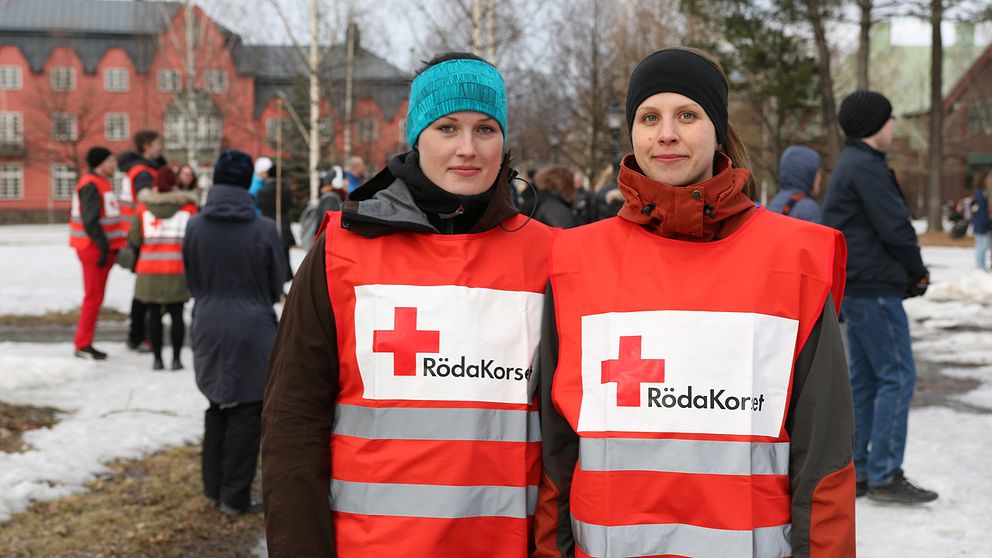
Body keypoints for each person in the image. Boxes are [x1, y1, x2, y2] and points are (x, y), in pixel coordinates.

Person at [534, 48, 855, 558]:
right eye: (649, 117)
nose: (666, 133)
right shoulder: (575, 260)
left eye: (687, 115)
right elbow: (555, 451)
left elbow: (825, 457)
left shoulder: (795, 259)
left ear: (717, 128)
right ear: (632, 131)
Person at [262, 52, 554, 557]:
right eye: (447, 127)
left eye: (486, 129)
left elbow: (566, 433)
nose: (468, 148)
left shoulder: (549, 255)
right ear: (417, 137)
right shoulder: (342, 251)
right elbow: (293, 418)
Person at [823, 90, 938, 505]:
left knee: (867, 380)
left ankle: (861, 469)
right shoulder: (866, 167)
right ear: (875, 124)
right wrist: (916, 270)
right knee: (896, 376)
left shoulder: (853, 164)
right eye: (890, 119)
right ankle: (886, 473)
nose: (894, 126)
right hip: (872, 289)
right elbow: (896, 227)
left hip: (860, 286)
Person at [183, 150, 285, 516]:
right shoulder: (263, 229)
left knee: (216, 404)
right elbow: (277, 283)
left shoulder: (195, 225)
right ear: (247, 183)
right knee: (247, 408)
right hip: (253, 324)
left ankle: (213, 488)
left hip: (208, 320)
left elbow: (191, 276)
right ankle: (234, 496)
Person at [129, 166, 198, 370]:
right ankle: (176, 359)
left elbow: (135, 238)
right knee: (177, 315)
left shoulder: (142, 209)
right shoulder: (188, 209)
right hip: (177, 269)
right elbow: (194, 239)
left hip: (149, 270)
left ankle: (157, 359)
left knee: (153, 314)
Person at [69, 147, 126, 360]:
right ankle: (83, 344)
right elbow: (90, 220)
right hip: (93, 248)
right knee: (93, 297)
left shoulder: (101, 182)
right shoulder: (91, 184)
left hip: (102, 248)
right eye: (111, 161)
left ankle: (85, 342)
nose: (114, 165)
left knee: (96, 297)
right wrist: (103, 247)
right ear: (100, 163)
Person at [118, 130, 165, 354]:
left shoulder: (140, 169)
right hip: (143, 235)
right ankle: (138, 335)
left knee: (142, 290)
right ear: (146, 146)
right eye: (158, 143)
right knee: (144, 291)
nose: (161, 146)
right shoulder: (143, 172)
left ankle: (137, 335)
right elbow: (147, 202)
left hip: (137, 234)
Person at [256, 168, 296, 283]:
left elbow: (259, 204)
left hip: (268, 224)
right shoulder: (286, 189)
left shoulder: (264, 190)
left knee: (271, 255)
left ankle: (276, 282)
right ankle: (281, 280)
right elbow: (290, 204)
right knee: (283, 255)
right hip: (283, 224)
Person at [768, 145, 823, 223]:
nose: (820, 179)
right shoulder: (809, 208)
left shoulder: (774, 203)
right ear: (808, 173)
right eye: (818, 173)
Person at [971, 170, 990, 270]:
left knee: (983, 246)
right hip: (980, 224)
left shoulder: (982, 193)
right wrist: (986, 224)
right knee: (981, 246)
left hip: (981, 223)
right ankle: (980, 267)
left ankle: (981, 266)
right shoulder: (979, 194)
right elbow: (981, 211)